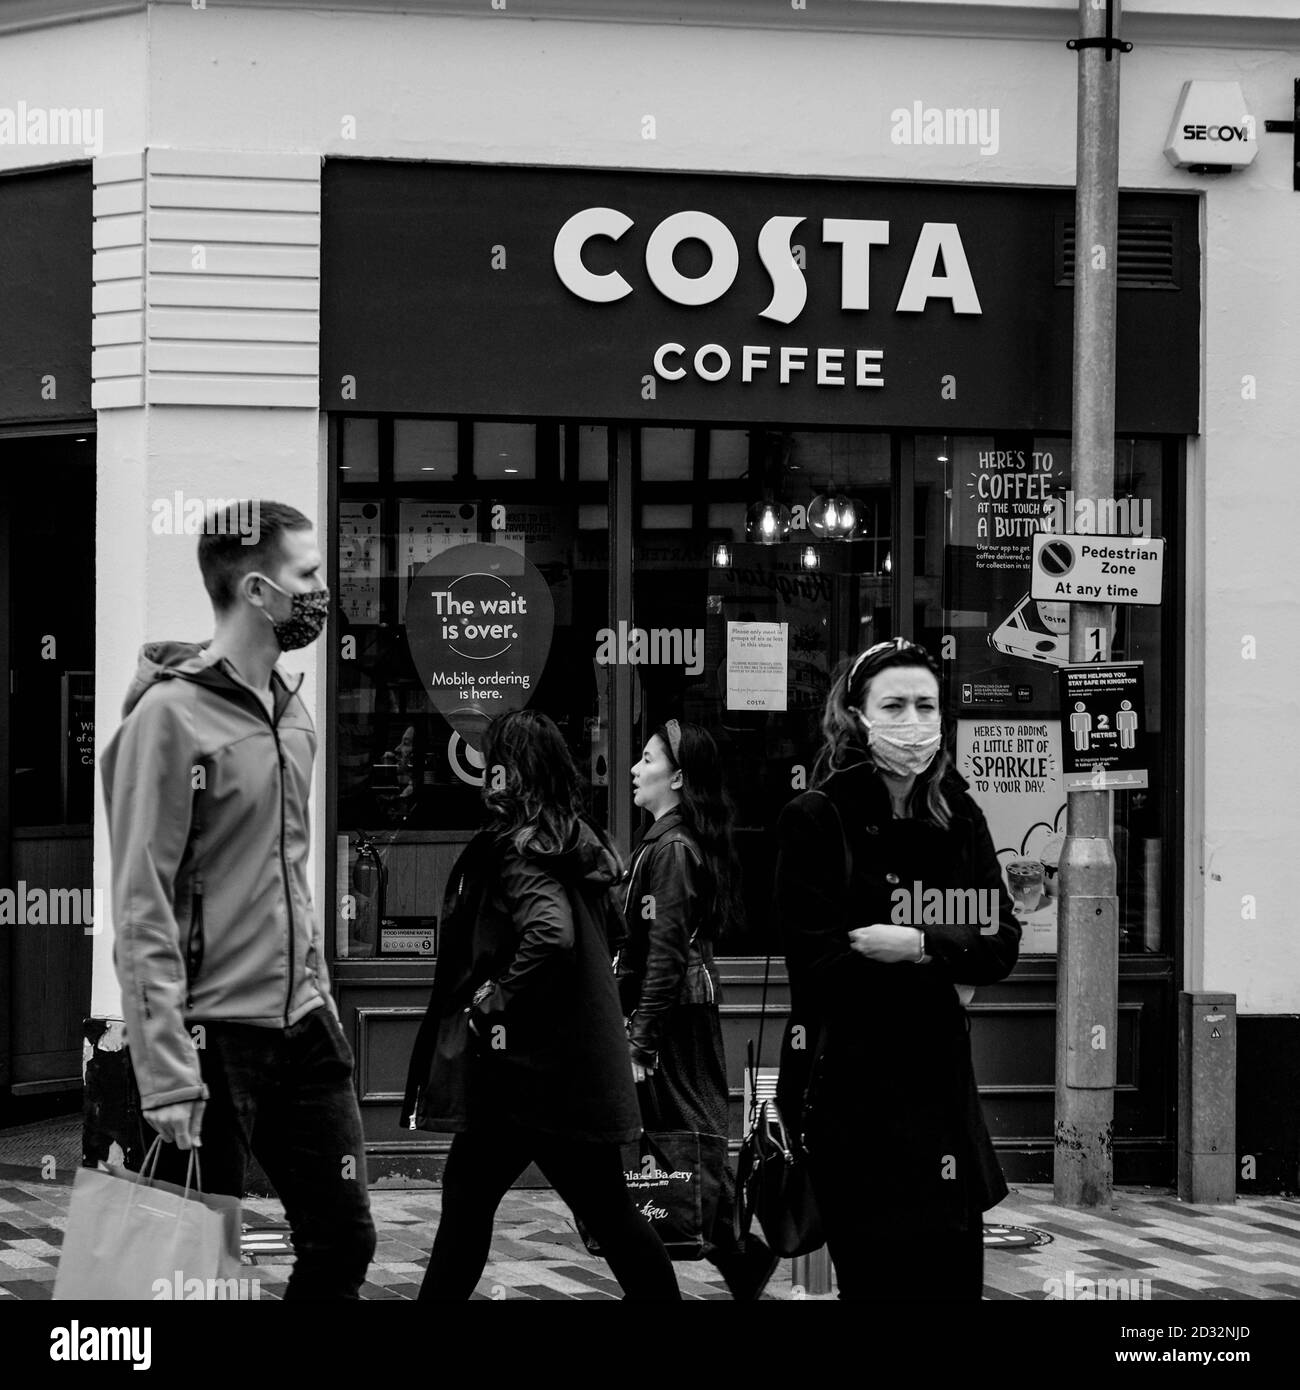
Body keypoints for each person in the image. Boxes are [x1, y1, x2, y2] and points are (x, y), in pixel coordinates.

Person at [100, 500, 376, 1299]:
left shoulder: (293, 713)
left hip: (306, 1023)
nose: (324, 590)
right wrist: (164, 1070)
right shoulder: (169, 717)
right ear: (258, 590)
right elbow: (140, 901)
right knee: (199, 1268)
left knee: (344, 1240)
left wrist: (318, 982)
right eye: (309, 575)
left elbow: (287, 873)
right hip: (213, 1035)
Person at [403, 709, 680, 1301]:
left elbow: (550, 935)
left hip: (528, 1077)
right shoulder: (576, 844)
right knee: (596, 1214)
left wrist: (489, 1000)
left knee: (476, 1208)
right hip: (563, 1071)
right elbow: (606, 938)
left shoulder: (521, 850)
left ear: (507, 772)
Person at [774, 637, 1021, 1301]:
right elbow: (823, 969)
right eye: (895, 704)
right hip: (856, 1102)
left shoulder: (958, 814)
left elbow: (1000, 944)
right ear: (856, 715)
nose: (913, 721)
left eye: (925, 704)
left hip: (941, 1098)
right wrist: (949, 963)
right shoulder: (818, 819)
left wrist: (912, 943)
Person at [622, 718, 778, 1299]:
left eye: (647, 759)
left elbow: (664, 954)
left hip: (672, 1021)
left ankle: (738, 1255)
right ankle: (741, 1258)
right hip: (673, 1016)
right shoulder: (667, 843)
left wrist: (641, 1039)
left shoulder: (673, 850)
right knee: (679, 1138)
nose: (635, 769)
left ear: (679, 777)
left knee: (684, 1140)